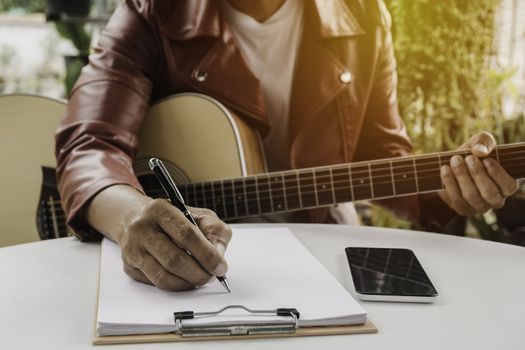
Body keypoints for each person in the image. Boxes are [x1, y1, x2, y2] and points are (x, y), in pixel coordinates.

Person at [55, 0, 518, 291]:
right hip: (200, 266)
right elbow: (90, 143)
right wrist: (132, 214)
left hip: (322, 247)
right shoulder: (152, 9)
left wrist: (449, 188)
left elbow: (382, 152)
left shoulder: (365, 14)